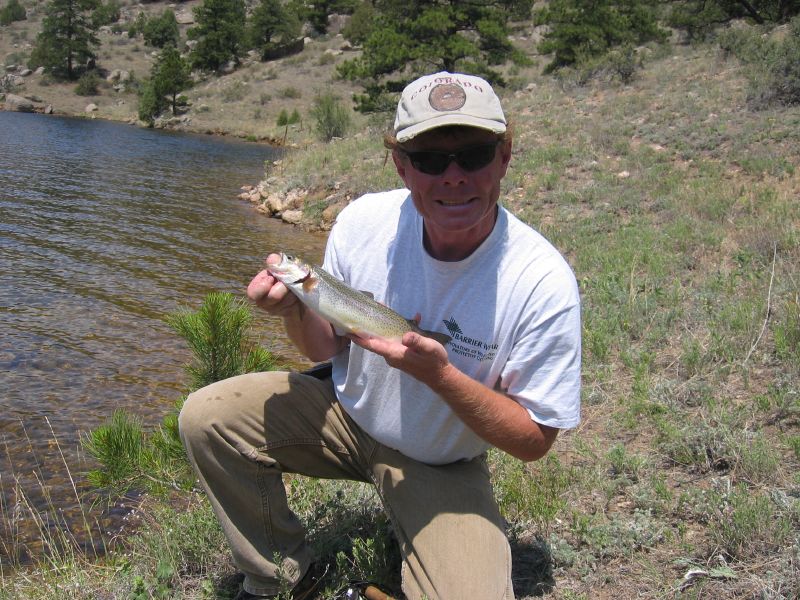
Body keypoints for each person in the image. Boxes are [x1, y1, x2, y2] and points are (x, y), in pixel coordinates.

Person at [179, 71, 581, 600]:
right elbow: (326, 348)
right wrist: (292, 312)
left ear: (504, 156)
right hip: (345, 415)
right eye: (431, 160)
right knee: (207, 416)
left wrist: (439, 376)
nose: (453, 176)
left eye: (475, 154)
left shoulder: (542, 281)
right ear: (402, 165)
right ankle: (280, 575)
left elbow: (534, 441)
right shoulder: (362, 221)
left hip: (440, 460)